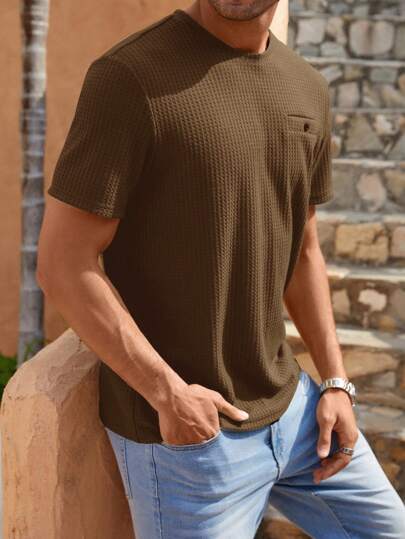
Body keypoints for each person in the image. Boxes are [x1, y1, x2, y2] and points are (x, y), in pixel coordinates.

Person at [37, 1, 405, 537]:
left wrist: (335, 383)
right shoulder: (129, 76)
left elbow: (303, 250)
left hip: (295, 411)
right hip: (191, 442)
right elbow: (62, 263)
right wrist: (168, 395)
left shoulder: (306, 87)